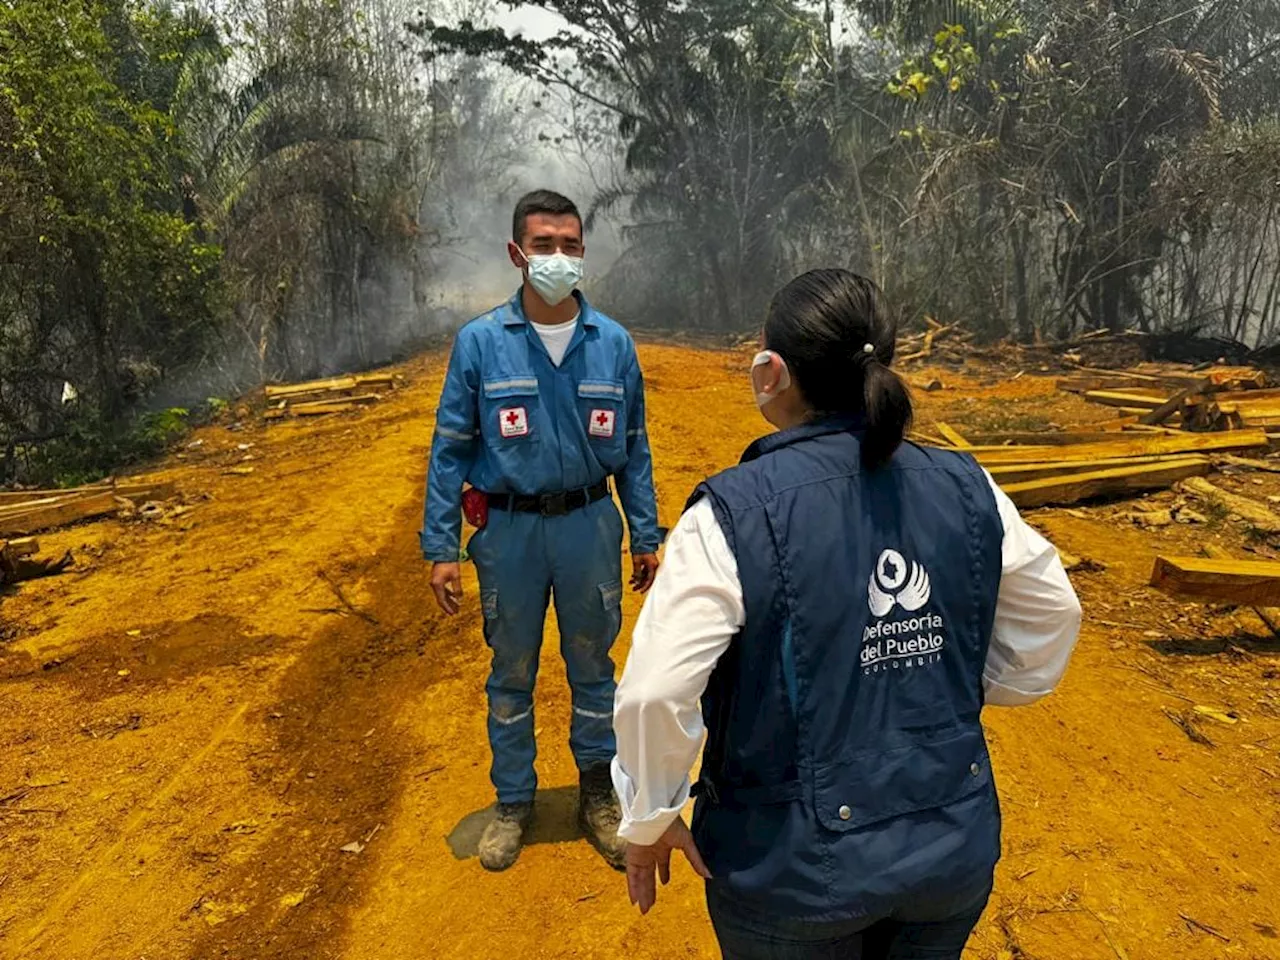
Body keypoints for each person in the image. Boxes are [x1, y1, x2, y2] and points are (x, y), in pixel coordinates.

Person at [611, 269, 1082, 958]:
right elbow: (1053, 614)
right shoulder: (966, 483)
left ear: (770, 372)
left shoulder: (732, 515)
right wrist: (958, 687)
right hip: (950, 857)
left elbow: (654, 692)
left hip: (793, 879)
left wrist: (650, 816)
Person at [422, 189, 662, 873]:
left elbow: (636, 447)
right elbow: (448, 451)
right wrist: (442, 548)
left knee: (593, 667)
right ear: (516, 253)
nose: (557, 256)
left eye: (569, 244)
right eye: (543, 244)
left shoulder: (611, 345)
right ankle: (513, 803)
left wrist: (645, 532)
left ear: (583, 252)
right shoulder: (480, 345)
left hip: (589, 525)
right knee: (512, 673)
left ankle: (597, 795)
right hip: (509, 530)